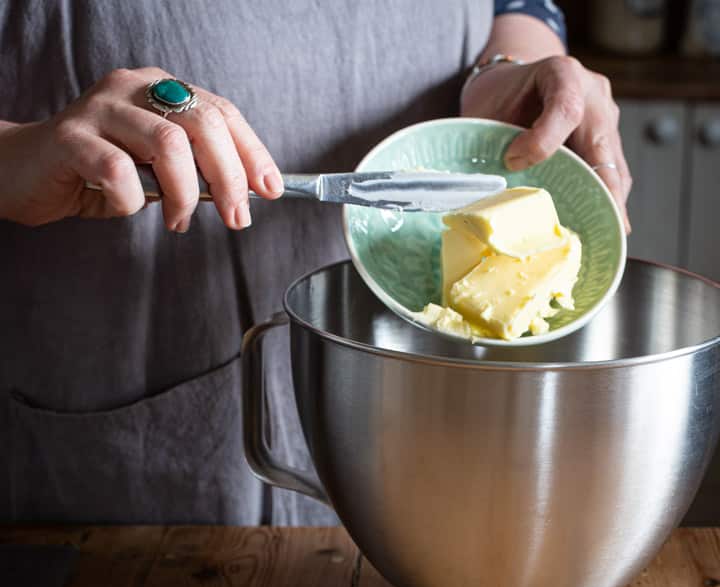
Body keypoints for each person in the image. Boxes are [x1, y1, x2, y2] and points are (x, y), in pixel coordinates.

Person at [0, 0, 631, 525]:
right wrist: (15, 154)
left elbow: (515, 6)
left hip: (422, 406)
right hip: (132, 455)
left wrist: (507, 66)